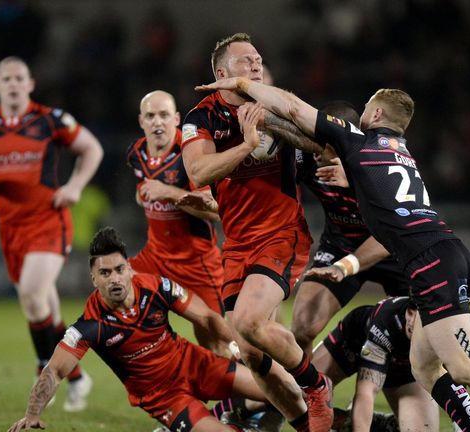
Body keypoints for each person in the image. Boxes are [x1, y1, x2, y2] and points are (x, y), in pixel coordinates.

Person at [195, 77, 470, 432]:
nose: (364, 111)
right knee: (426, 367)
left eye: (368, 106)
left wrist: (246, 85)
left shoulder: (357, 142)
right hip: (438, 253)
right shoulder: (398, 151)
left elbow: (295, 110)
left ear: (376, 113)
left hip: (428, 259)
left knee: (465, 366)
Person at [181, 33, 332, 432]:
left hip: (282, 232)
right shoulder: (200, 118)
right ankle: (307, 424)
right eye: (245, 60)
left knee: (247, 322)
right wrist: (247, 145)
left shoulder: (272, 103)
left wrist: (273, 125)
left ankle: (317, 387)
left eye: (258, 59)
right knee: (248, 350)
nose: (255, 65)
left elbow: (318, 143)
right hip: (237, 243)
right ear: (221, 73)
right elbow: (198, 172)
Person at [7, 227, 268, 432]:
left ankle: (233, 411)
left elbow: (208, 318)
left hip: (196, 365)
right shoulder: (90, 325)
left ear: (130, 268)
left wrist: (235, 346)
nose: (114, 278)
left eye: (119, 269)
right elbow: (54, 370)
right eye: (105, 273)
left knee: (283, 390)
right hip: (165, 398)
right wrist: (33, 412)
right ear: (94, 278)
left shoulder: (157, 287)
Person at [0, 56, 103, 412]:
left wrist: (75, 186)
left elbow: (91, 148)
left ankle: (44, 371)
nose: (13, 83)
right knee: (43, 310)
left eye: (19, 77)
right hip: (11, 230)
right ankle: (78, 378)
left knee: (34, 296)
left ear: (30, 84)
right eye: (6, 78)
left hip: (48, 221)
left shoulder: (50, 120)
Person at [289, 101, 412, 355]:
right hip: (339, 245)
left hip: (392, 251)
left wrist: (344, 267)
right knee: (302, 329)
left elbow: (387, 236)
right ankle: (307, 389)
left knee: (429, 326)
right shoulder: (308, 158)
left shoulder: (373, 163)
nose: (314, 147)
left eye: (322, 140)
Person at [126, 90, 225, 351]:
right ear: (141, 121)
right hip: (155, 257)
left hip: (197, 262)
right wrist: (144, 195)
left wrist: (171, 193)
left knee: (220, 339)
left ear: (177, 119)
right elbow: (144, 190)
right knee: (117, 288)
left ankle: (249, 387)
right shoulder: (136, 152)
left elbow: (215, 211)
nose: (157, 122)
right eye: (150, 116)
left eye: (163, 115)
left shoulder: (190, 155)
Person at [314, 297, 470, 432]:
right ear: (410, 315)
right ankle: (345, 420)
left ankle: (382, 425)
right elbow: (367, 391)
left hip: (406, 370)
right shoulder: (385, 323)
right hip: (353, 342)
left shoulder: (464, 328)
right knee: (298, 394)